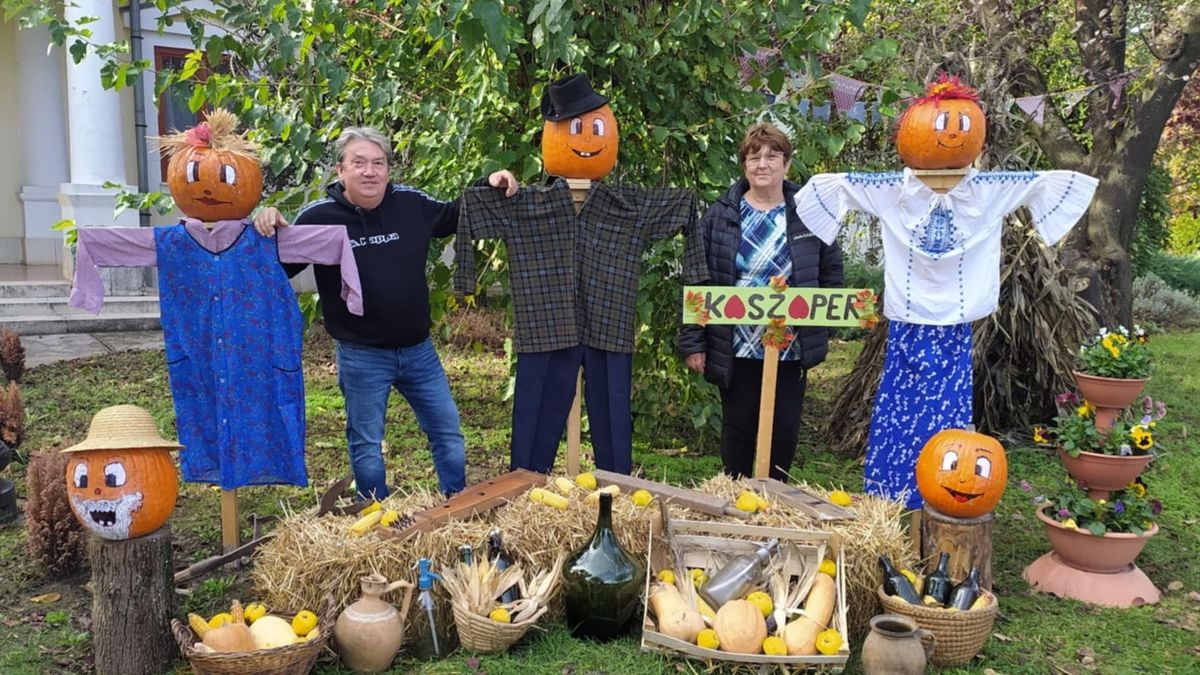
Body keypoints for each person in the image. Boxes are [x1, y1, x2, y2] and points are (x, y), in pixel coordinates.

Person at [253, 127, 518, 500]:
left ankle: (456, 506)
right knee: (367, 445)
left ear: (388, 170)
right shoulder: (319, 217)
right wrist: (265, 224)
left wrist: (489, 182)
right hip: (361, 356)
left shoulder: (411, 205)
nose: (370, 171)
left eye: (378, 163)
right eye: (358, 163)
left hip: (419, 352)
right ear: (340, 170)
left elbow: (455, 215)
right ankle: (375, 516)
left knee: (449, 435)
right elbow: (273, 270)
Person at [678, 122, 844, 481]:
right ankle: (737, 499)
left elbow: (832, 273)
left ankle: (775, 500)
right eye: (754, 157)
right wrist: (694, 341)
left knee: (783, 429)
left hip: (791, 343)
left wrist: (821, 328)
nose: (762, 164)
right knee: (738, 427)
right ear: (744, 165)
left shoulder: (810, 212)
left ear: (786, 164)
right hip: (734, 342)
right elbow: (697, 280)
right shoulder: (720, 216)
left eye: (772, 156)